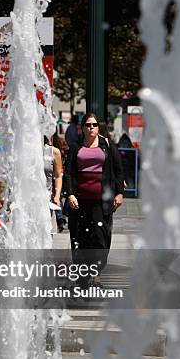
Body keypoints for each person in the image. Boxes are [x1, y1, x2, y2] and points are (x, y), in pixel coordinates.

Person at [64, 113, 124, 288]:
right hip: (80, 201)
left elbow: (118, 171)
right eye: (88, 125)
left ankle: (96, 271)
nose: (91, 128)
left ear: (99, 127)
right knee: (79, 239)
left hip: (101, 201)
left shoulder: (108, 147)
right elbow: (68, 173)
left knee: (101, 238)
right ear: (82, 128)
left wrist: (119, 193)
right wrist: (70, 194)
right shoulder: (75, 148)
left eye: (94, 125)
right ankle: (83, 275)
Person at [43, 136, 63, 233]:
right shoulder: (25, 151)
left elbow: (58, 175)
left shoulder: (53, 151)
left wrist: (57, 195)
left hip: (47, 201)